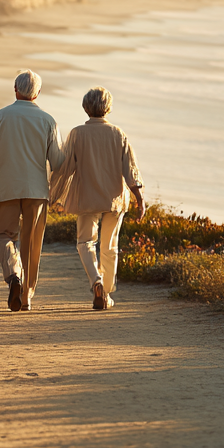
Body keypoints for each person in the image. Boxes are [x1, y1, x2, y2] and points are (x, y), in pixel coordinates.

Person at [0, 70, 65, 312]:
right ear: (38, 93)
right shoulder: (48, 120)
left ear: (15, 89)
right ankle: (26, 298)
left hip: (6, 187)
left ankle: (14, 274)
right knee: (32, 243)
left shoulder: (0, 117)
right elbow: (57, 162)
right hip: (36, 191)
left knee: (1, 236)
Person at [50, 86, 145, 310]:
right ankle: (108, 293)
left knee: (85, 243)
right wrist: (140, 199)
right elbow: (130, 169)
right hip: (114, 198)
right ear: (108, 108)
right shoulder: (118, 133)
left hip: (86, 196)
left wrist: (54, 195)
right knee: (110, 246)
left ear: (86, 108)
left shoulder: (77, 133)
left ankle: (97, 282)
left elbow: (65, 168)